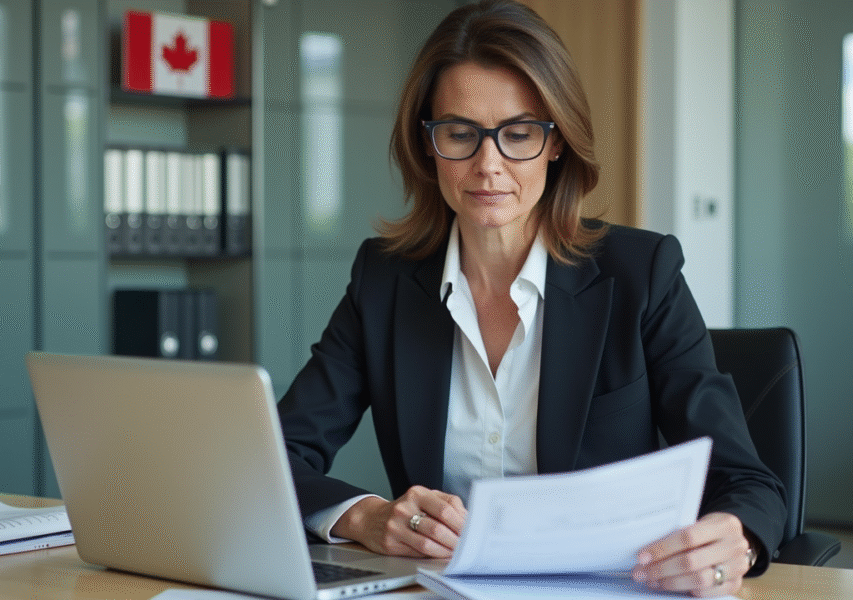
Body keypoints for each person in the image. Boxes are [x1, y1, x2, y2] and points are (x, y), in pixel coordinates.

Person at [276, 0, 786, 596]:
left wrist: (736, 538)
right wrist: (365, 516)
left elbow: (748, 482)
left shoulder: (641, 275)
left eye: (518, 134)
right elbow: (276, 457)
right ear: (428, 145)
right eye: (460, 134)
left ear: (556, 143)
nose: (487, 165)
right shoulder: (384, 282)